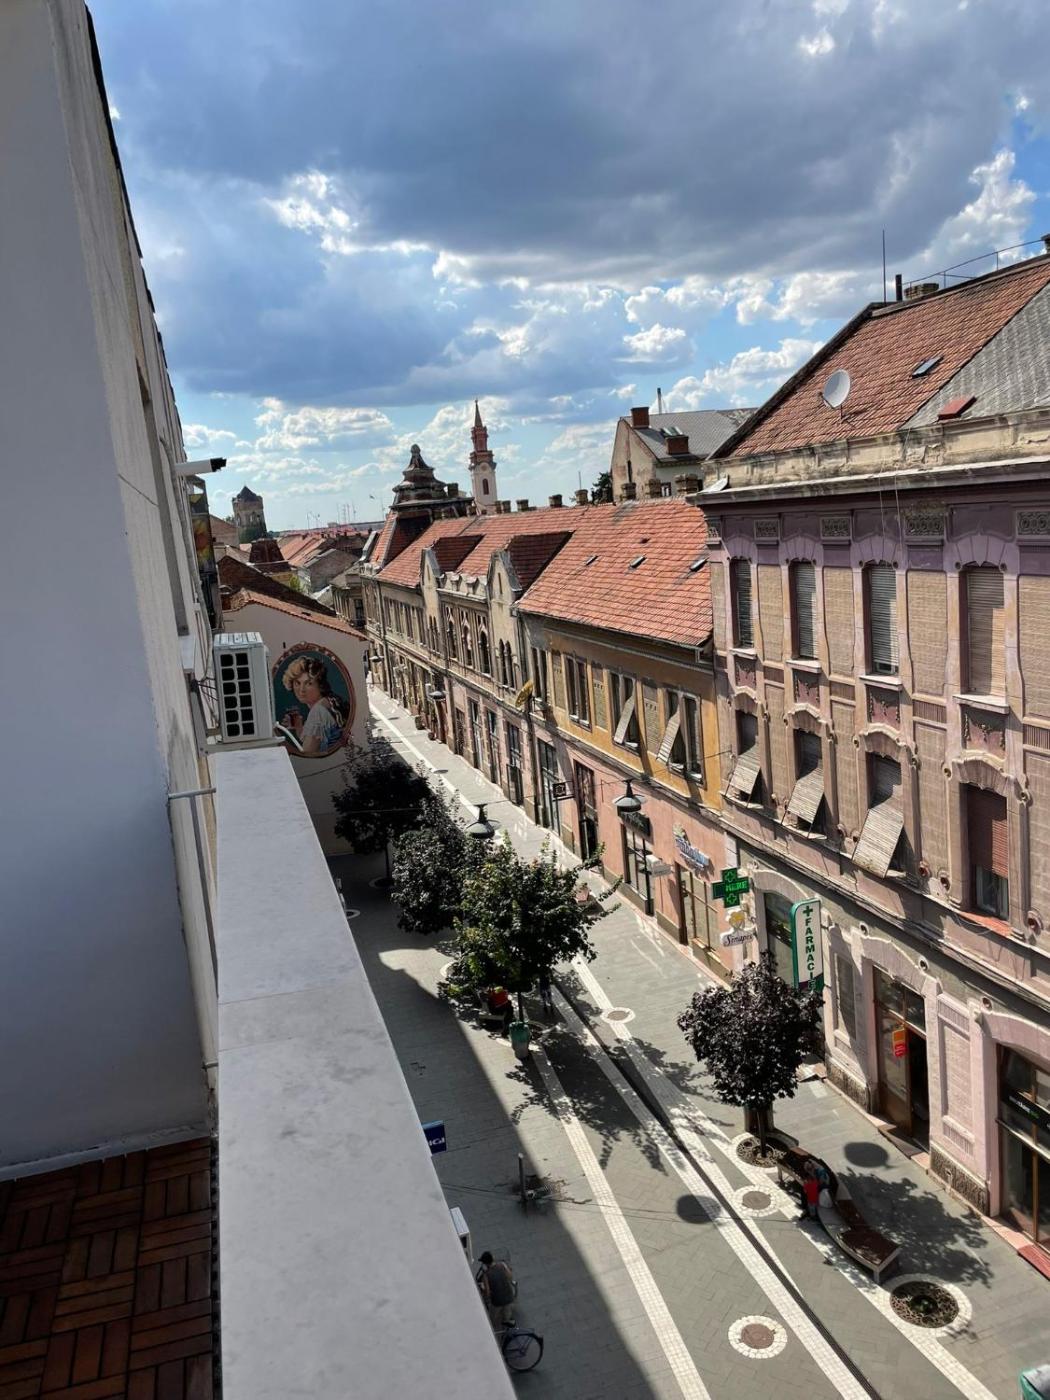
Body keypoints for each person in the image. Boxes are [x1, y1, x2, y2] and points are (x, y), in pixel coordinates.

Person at [279, 656, 349, 756]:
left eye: (309, 683)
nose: (301, 690)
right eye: (297, 683)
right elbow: (314, 741)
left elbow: (308, 752)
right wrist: (299, 727)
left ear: (320, 685)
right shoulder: (328, 702)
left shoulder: (317, 712)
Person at [478, 1252, 516, 1328]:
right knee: (507, 1311)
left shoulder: (486, 1275)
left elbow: (487, 1293)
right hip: (509, 1297)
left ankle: (490, 1326)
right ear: (493, 1258)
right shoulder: (502, 1265)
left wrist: (483, 1288)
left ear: (485, 1264)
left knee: (492, 1316)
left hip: (497, 1301)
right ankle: (507, 1321)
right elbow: (510, 1277)